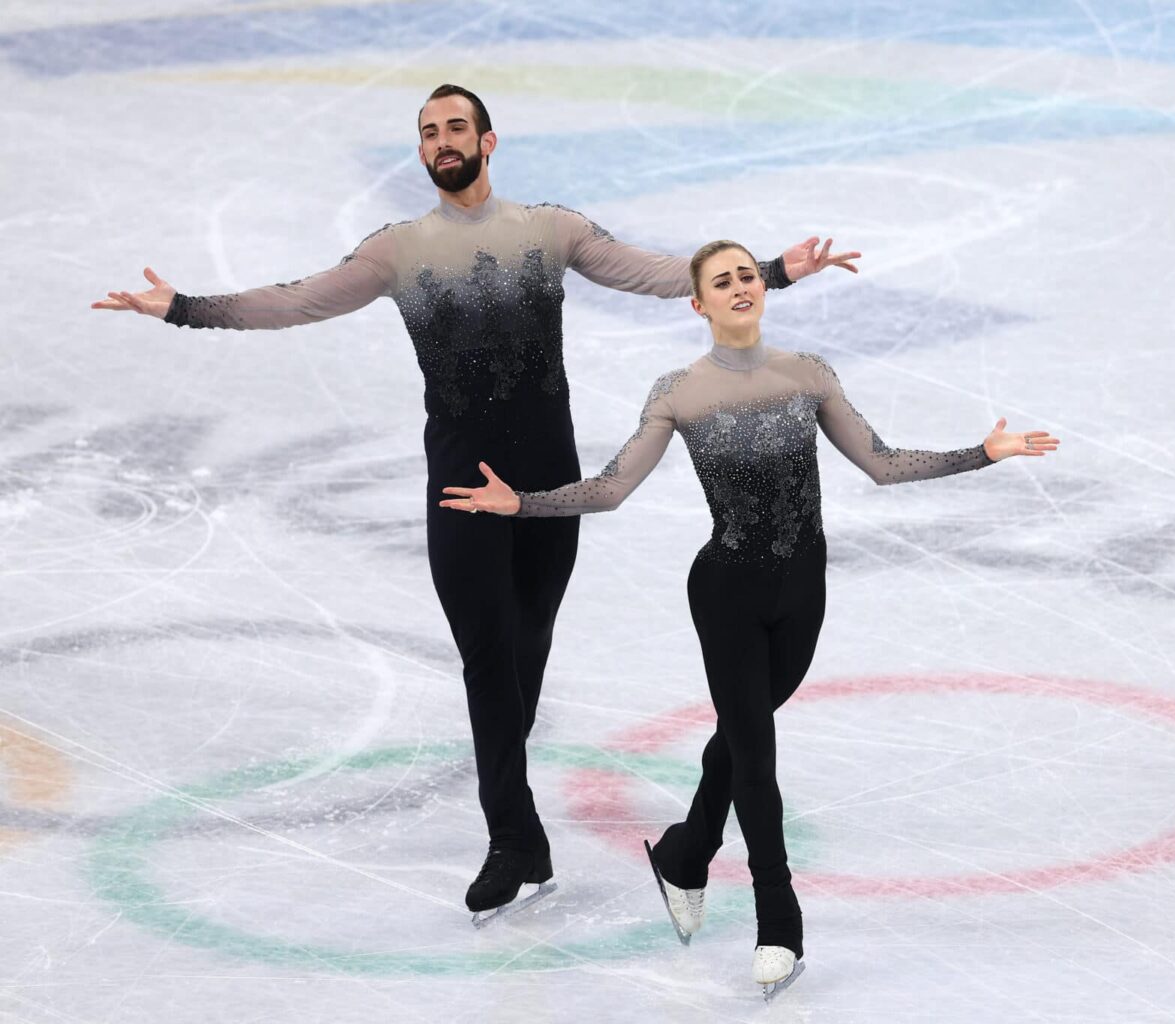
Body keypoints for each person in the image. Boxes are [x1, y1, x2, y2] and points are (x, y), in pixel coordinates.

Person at [91, 85, 862, 925]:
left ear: (489, 142)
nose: (441, 141)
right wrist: (185, 310)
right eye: (428, 133)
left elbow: (656, 273)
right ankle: (510, 835)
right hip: (461, 483)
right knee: (487, 656)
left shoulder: (550, 229)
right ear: (422, 153)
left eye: (456, 127)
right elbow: (298, 299)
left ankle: (523, 837)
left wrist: (774, 271)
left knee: (527, 646)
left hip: (546, 485)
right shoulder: (399, 249)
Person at [439, 239, 1058, 997]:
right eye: (720, 282)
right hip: (726, 590)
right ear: (698, 305)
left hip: (804, 588)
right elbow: (609, 490)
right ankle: (778, 922)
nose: (738, 288)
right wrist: (522, 505)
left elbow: (882, 463)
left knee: (740, 739)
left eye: (745, 277)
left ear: (759, 292)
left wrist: (982, 453)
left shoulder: (808, 374)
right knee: (756, 757)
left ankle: (687, 851)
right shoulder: (680, 392)